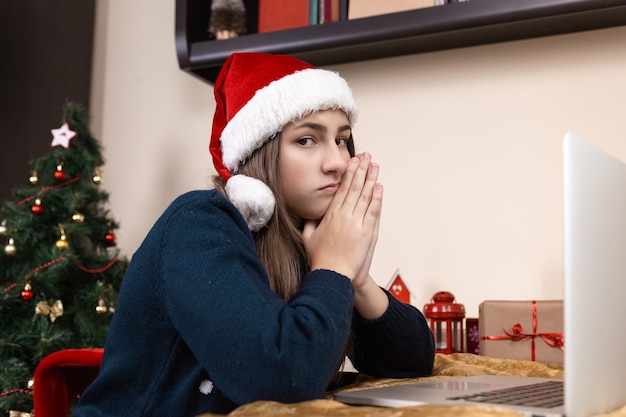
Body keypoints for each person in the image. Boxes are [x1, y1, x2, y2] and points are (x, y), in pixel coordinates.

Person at [74, 52, 435, 416]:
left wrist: (355, 280)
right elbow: (281, 378)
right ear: (258, 152)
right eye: (307, 140)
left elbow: (413, 361)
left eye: (342, 140)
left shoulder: (305, 240)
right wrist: (335, 267)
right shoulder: (199, 223)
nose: (338, 162)